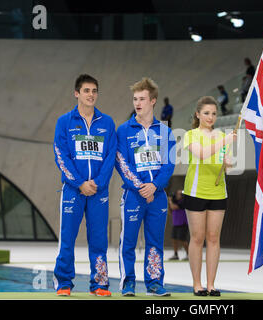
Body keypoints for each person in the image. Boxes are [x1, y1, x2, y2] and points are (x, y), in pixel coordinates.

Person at [52, 74, 117, 297]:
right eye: (87, 90)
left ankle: (99, 284)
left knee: (99, 238)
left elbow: (110, 157)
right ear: (76, 93)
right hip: (73, 190)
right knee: (67, 237)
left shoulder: (107, 122)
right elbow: (61, 156)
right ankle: (63, 283)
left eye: (94, 91)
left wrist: (97, 183)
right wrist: (80, 183)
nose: (91, 95)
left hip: (99, 191)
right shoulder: (64, 122)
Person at [115, 77, 176, 297]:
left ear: (153, 101)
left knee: (155, 242)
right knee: (128, 241)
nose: (137, 103)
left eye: (142, 98)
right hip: (133, 195)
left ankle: (154, 283)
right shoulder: (123, 130)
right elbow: (121, 162)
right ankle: (128, 283)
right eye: (135, 99)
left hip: (157, 196)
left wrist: (155, 186)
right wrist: (142, 187)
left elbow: (169, 164)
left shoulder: (165, 132)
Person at [182, 96, 237, 297]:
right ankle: (197, 284)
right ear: (198, 114)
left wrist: (228, 163)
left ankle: (211, 284)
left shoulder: (222, 136)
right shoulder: (190, 135)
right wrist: (224, 140)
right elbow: (203, 154)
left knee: (214, 238)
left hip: (218, 192)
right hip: (196, 192)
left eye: (214, 113)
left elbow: (226, 165)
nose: (210, 117)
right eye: (206, 113)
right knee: (197, 238)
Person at [168, 189, 189, 261]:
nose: (179, 195)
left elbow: (174, 207)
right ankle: (175, 254)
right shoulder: (175, 201)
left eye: (180, 194)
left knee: (182, 239)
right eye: (178, 194)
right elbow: (170, 211)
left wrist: (170, 201)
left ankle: (189, 254)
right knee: (174, 239)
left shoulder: (183, 201)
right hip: (176, 223)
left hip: (183, 223)